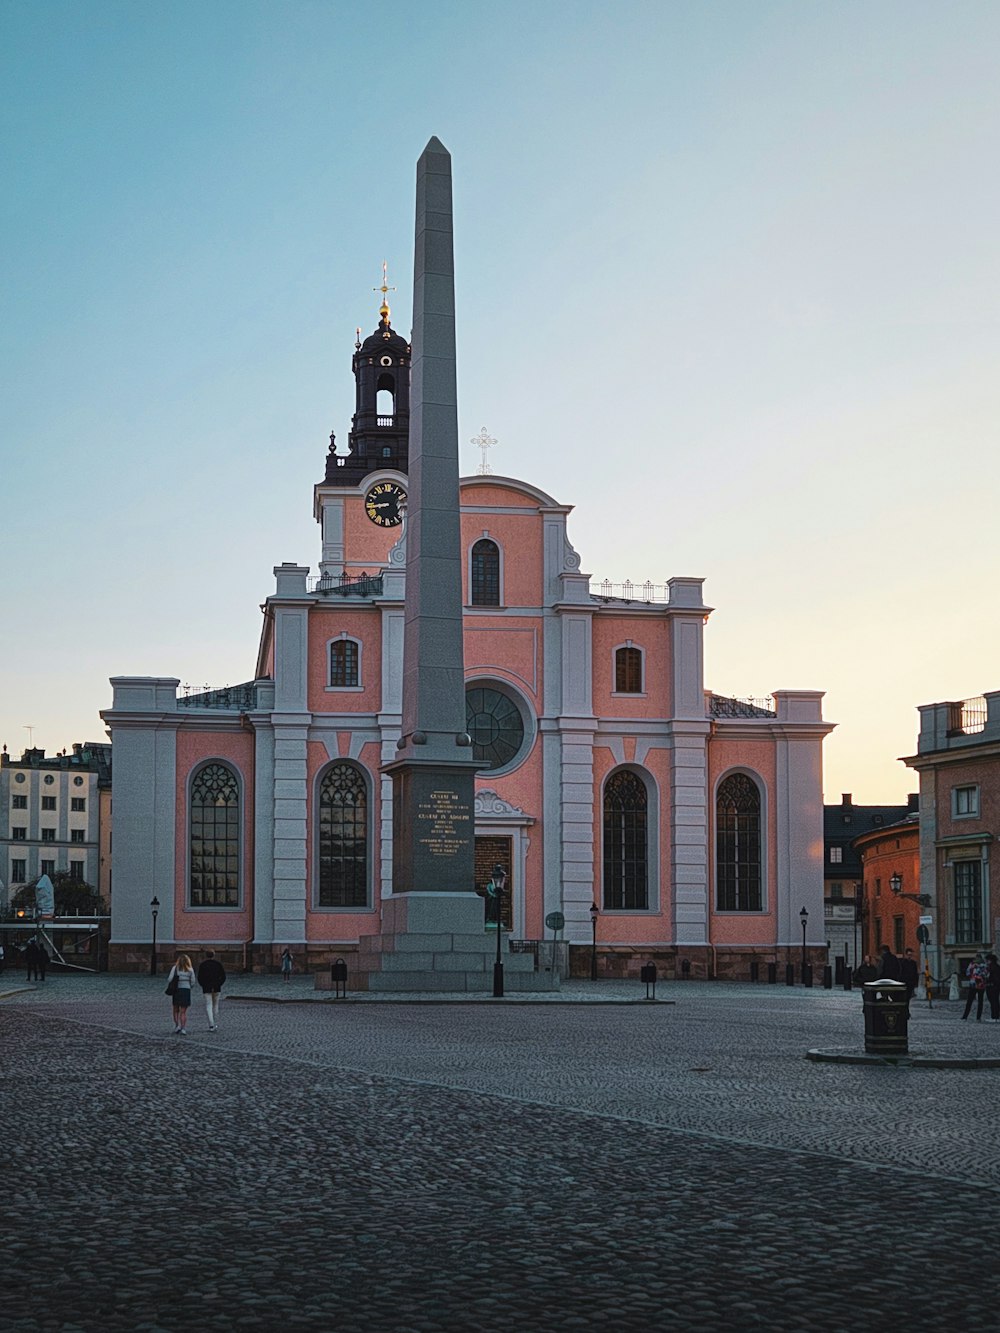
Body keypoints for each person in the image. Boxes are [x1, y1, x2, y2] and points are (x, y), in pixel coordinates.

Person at [165, 952, 196, 1033]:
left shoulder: (175, 968)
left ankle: (177, 1026)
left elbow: (169, 979)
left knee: (175, 1009)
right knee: (183, 1012)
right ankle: (183, 1028)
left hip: (177, 990)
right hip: (186, 990)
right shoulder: (190, 969)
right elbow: (193, 982)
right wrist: (188, 986)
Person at [197, 950, 226, 1031]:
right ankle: (215, 1023)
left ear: (206, 955)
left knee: (208, 1005)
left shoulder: (203, 965)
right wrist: (219, 984)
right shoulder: (218, 964)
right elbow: (223, 976)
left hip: (206, 988)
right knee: (215, 1005)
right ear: (214, 955)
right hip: (217, 988)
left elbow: (199, 977)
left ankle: (211, 1024)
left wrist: (203, 985)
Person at [961, 953, 989, 1022]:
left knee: (970, 1001)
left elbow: (967, 973)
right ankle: (978, 1018)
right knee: (980, 1002)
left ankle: (965, 1016)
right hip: (980, 985)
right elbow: (986, 974)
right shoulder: (984, 965)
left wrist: (973, 973)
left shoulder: (972, 964)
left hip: (973, 984)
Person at [899, 947, 919, 1012]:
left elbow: (915, 973)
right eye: (908, 955)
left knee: (908, 998)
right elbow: (900, 973)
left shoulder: (913, 963)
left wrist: (915, 983)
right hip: (904, 983)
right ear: (906, 955)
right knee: (904, 998)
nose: (909, 956)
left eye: (911, 955)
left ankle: (906, 1010)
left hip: (910, 983)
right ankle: (905, 1010)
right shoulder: (902, 963)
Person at [985, 953, 1000, 1022]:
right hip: (993, 986)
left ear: (991, 960)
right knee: (994, 1002)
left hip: (992, 986)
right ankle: (995, 1016)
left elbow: (994, 978)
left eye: (987, 960)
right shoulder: (995, 967)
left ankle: (995, 1017)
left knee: (994, 1002)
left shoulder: (993, 967)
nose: (987, 962)